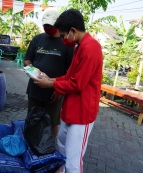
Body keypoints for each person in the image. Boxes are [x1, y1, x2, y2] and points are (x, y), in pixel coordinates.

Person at [34, 9, 103, 173]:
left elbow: (77, 84)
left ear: (73, 31)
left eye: (64, 35)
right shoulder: (80, 47)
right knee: (63, 149)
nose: (63, 39)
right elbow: (69, 76)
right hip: (71, 109)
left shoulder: (91, 47)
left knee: (73, 161)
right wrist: (51, 80)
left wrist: (51, 85)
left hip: (82, 113)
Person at [24, 8, 73, 137]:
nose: (47, 28)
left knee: (52, 123)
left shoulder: (66, 43)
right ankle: (31, 144)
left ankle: (50, 148)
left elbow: (70, 71)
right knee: (32, 119)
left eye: (50, 25)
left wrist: (59, 90)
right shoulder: (37, 39)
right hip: (34, 90)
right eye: (45, 25)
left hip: (53, 93)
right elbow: (28, 59)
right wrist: (30, 69)